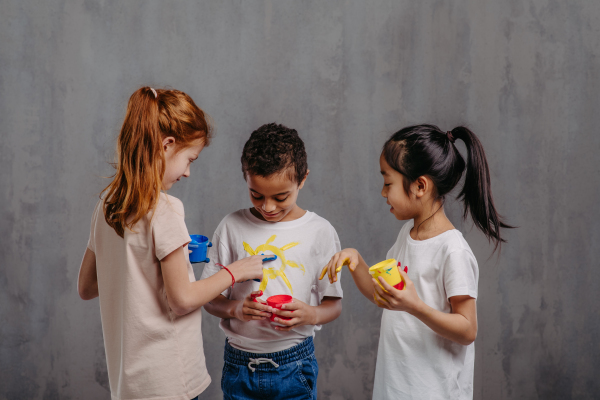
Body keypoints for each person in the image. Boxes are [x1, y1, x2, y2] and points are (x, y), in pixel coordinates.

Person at [77, 87, 265, 400]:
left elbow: (86, 286)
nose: (188, 173)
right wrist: (235, 272)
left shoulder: (107, 204)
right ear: (167, 145)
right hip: (165, 377)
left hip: (128, 380)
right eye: (190, 159)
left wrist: (151, 266)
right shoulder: (165, 210)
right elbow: (182, 300)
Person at [321, 124, 513, 399]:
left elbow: (468, 329)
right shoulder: (407, 235)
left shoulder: (452, 250)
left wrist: (415, 307)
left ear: (420, 185)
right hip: (395, 388)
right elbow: (383, 295)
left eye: (388, 183)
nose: (383, 192)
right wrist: (356, 261)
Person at [201, 123, 343, 400]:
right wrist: (236, 309)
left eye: (281, 197)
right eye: (256, 195)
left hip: (295, 364)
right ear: (246, 178)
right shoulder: (231, 226)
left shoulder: (320, 232)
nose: (267, 207)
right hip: (239, 365)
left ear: (302, 180)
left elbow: (333, 305)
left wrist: (310, 315)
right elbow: (208, 298)